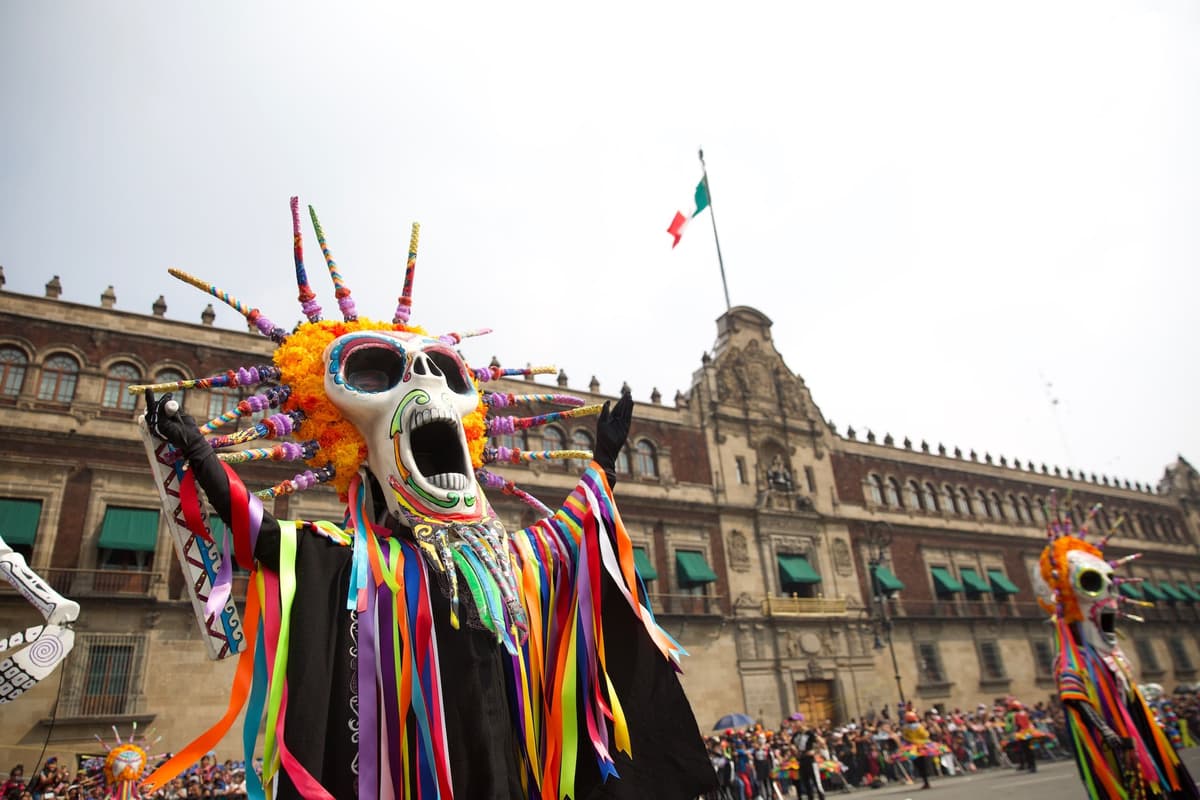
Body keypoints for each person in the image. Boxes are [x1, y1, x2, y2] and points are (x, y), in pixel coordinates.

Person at [137, 198, 714, 800]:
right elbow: (263, 536)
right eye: (379, 374)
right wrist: (195, 449)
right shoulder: (367, 565)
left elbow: (574, 529)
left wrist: (605, 462)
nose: (429, 387)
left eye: (443, 373)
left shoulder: (511, 560)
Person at [1033, 508, 1200, 799]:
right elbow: (1077, 701)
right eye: (1093, 583)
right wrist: (1107, 733)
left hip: (1141, 737)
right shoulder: (1072, 660)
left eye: (1111, 581)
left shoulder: (1113, 656)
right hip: (1115, 746)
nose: (1110, 597)